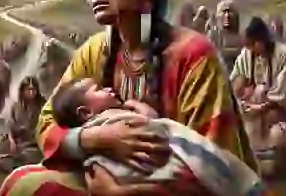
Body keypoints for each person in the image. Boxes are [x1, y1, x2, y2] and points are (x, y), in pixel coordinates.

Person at [0, 0, 257, 196]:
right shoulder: (94, 51)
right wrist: (101, 139)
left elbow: (214, 163)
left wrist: (122, 192)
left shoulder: (194, 55)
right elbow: (48, 122)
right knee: (22, 183)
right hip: (106, 177)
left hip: (172, 187)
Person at [50, 77, 267, 196]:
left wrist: (149, 118)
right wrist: (95, 138)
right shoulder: (95, 53)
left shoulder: (194, 51)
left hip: (182, 168)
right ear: (86, 113)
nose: (108, 89)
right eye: (98, 89)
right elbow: (50, 129)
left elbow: (162, 132)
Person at [230, 17, 286, 192]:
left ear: (263, 40)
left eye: (254, 44)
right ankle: (263, 157)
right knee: (256, 98)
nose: (251, 50)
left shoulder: (283, 55)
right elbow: (237, 81)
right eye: (248, 45)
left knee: (283, 136)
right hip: (264, 103)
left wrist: (258, 107)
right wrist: (238, 98)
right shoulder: (247, 54)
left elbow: (284, 95)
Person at [214, 0, 243, 72]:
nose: (227, 16)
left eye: (229, 12)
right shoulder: (213, 38)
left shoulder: (243, 39)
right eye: (224, 12)